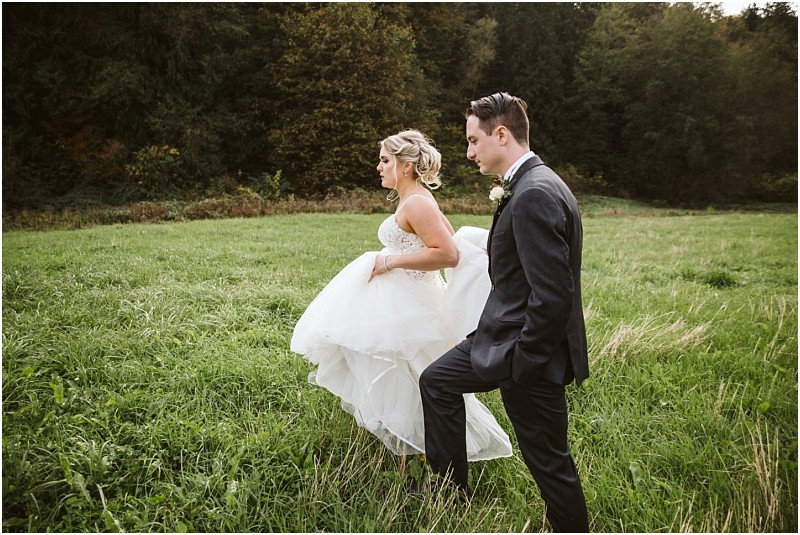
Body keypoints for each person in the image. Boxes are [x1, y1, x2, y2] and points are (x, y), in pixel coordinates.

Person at [418, 93, 590, 531]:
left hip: (526, 353)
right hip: (498, 335)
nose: (469, 152)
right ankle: (449, 491)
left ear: (501, 134)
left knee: (548, 460)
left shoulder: (534, 192)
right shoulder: (537, 181)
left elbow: (553, 296)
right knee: (437, 380)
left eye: (474, 141)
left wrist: (524, 363)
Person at [290, 129, 512, 462]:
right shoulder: (413, 200)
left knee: (413, 371)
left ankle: (425, 451)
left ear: (405, 166)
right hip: (403, 293)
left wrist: (390, 261)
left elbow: (447, 253)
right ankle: (411, 449)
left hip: (411, 298)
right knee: (404, 372)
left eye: (384, 160)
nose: (379, 168)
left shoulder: (418, 203)